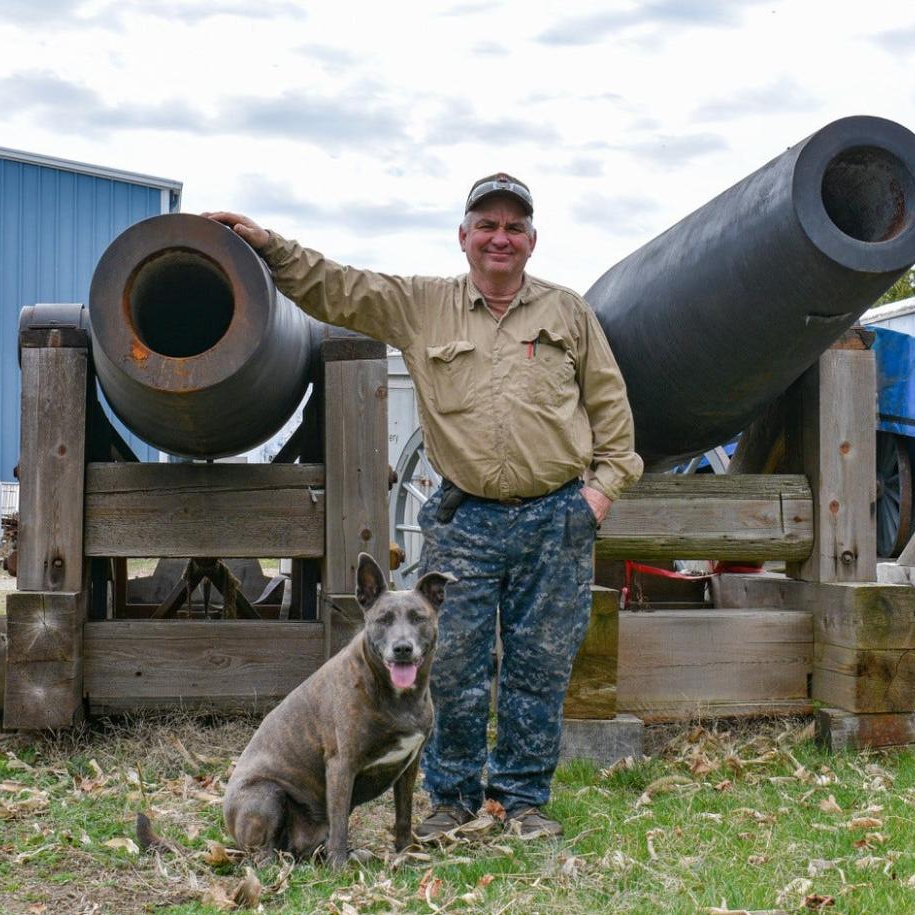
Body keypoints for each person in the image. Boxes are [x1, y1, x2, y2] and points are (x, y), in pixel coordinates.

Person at [204, 173, 642, 839]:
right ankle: (452, 801)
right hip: (466, 519)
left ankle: (521, 802)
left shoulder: (568, 313)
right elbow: (337, 286)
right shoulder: (420, 305)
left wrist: (599, 493)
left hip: (557, 517)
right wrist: (269, 246)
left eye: (514, 226)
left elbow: (612, 409)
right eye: (487, 224)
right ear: (463, 236)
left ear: (532, 239)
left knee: (540, 669)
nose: (501, 237)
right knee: (454, 666)